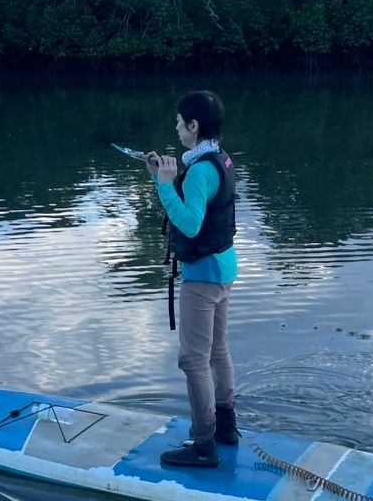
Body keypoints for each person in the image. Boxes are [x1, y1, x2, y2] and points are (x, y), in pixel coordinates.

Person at [145, 90, 240, 469]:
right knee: (218, 351)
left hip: (202, 277)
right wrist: (160, 177)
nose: (176, 127)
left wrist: (165, 186)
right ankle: (226, 428)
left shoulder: (199, 171)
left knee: (193, 360)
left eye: (179, 121)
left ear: (194, 125)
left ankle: (203, 445)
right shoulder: (220, 158)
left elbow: (189, 224)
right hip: (223, 269)